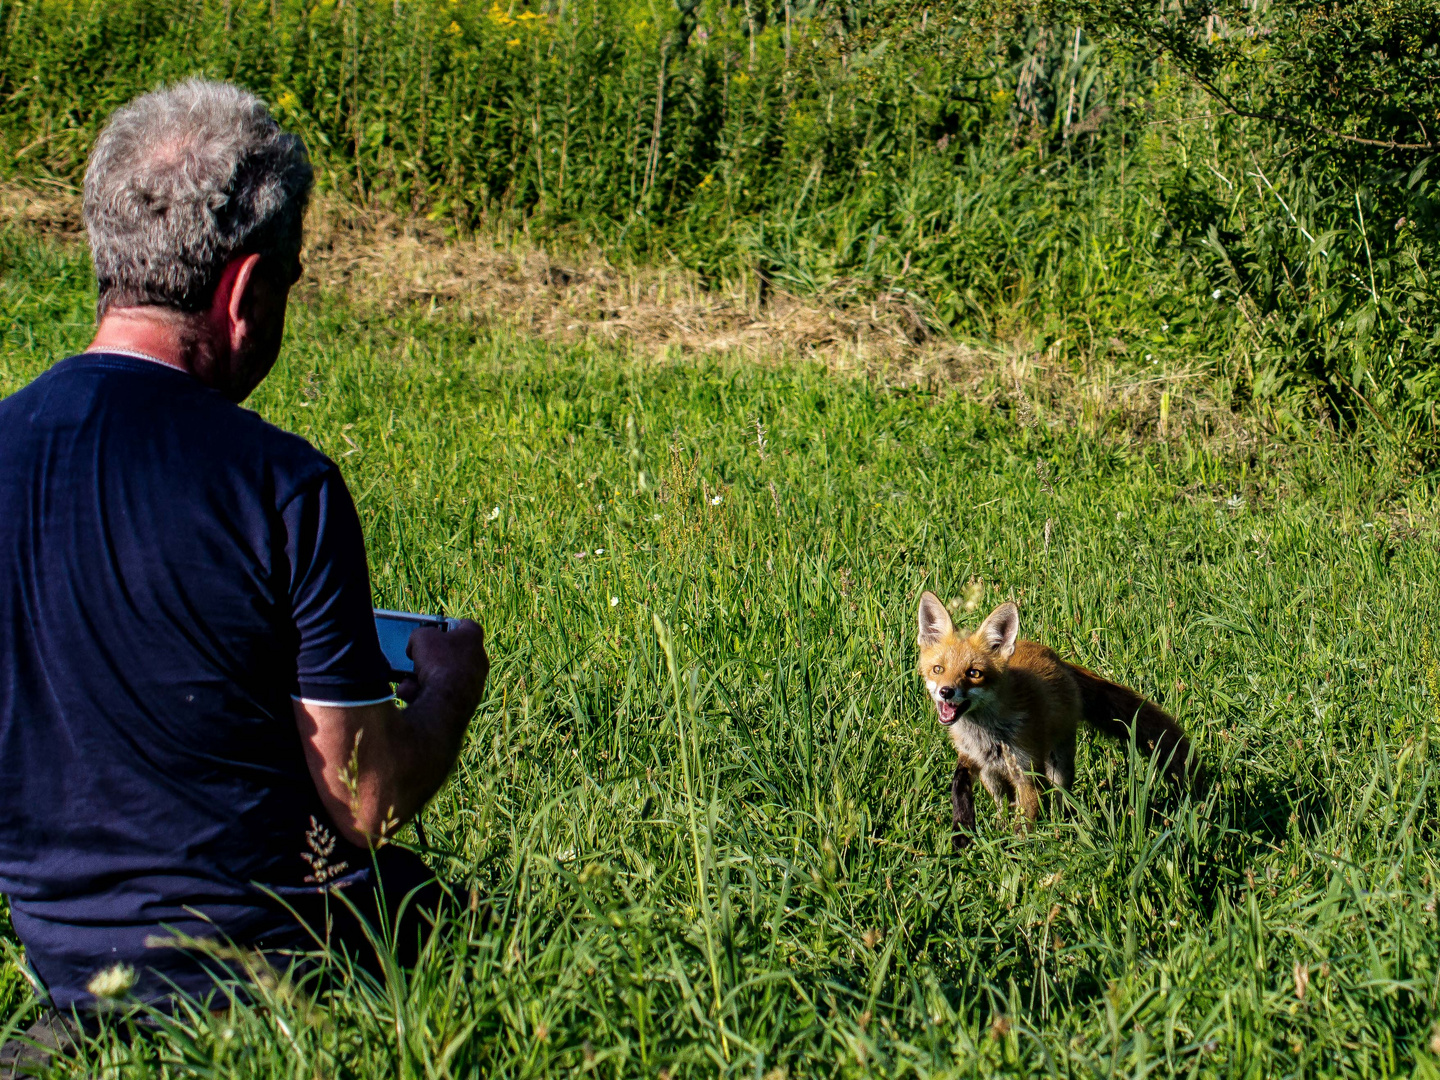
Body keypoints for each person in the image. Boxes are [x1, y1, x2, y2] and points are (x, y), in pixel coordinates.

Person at [0, 78, 488, 1042]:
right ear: (242, 291)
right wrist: (446, 688)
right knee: (448, 916)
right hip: (266, 965)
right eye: (287, 286)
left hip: (63, 960)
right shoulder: (280, 484)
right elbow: (367, 800)